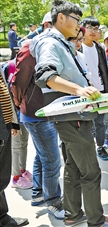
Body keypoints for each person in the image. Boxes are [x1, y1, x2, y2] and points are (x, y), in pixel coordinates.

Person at [32, 0, 108, 227]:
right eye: (76, 20)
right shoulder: (51, 44)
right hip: (73, 117)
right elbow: (45, 76)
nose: (79, 25)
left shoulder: (61, 43)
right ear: (61, 18)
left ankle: (73, 215)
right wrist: (80, 89)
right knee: (91, 171)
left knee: (73, 167)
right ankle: (97, 221)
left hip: (75, 116)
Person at [11, 14, 64, 219]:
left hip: (48, 111)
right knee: (52, 160)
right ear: (46, 25)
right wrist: (21, 105)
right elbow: (18, 81)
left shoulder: (54, 46)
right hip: (36, 113)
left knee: (43, 156)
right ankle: (53, 202)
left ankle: (38, 193)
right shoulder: (31, 47)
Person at [81, 16, 108, 161]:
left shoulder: (99, 47)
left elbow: (103, 70)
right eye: (90, 28)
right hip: (84, 92)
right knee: (86, 122)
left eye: (96, 29)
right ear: (82, 28)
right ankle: (87, 150)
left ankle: (100, 147)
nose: (93, 32)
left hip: (101, 90)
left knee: (101, 121)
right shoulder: (77, 46)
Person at [0, 69, 29, 227]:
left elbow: (3, 92)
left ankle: (3, 218)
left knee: (2, 175)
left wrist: (12, 121)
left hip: (4, 126)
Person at [1, 60, 33, 190]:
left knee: (23, 143)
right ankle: (16, 176)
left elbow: (6, 97)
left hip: (13, 118)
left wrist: (13, 120)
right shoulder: (10, 66)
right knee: (15, 146)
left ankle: (22, 170)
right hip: (8, 119)